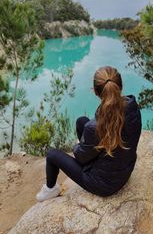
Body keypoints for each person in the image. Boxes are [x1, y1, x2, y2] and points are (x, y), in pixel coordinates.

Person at [36, 66, 142, 201]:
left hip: (104, 185)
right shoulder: (132, 108)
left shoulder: (95, 127)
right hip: (125, 170)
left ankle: (51, 190)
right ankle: (90, 155)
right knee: (81, 121)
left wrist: (78, 146)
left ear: (96, 92)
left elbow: (80, 157)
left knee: (52, 155)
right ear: (119, 86)